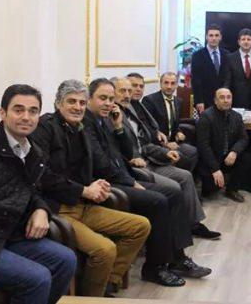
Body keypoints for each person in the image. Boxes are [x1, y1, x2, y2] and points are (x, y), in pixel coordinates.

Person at [0, 85, 77, 304]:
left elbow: (33, 190)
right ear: (3, 113)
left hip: (9, 233)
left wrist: (41, 209)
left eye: (33, 111)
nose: (26, 117)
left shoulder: (33, 152)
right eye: (18, 110)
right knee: (38, 278)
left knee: (66, 260)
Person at [84, 78, 211, 287]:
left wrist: (118, 127)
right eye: (102, 98)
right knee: (159, 200)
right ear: (89, 99)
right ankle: (154, 268)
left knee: (174, 192)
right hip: (107, 184)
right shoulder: (87, 123)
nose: (108, 103)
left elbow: (126, 153)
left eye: (110, 99)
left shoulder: (105, 119)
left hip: (123, 176)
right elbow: (102, 164)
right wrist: (131, 181)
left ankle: (178, 258)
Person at [31, 80, 151, 296]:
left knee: (140, 226)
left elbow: (95, 166)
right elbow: (43, 177)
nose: (77, 107)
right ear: (58, 103)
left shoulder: (81, 128)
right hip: (59, 210)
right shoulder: (44, 128)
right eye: (71, 102)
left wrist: (97, 185)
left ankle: (106, 282)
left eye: (81, 102)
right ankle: (91, 297)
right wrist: (84, 190)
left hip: (84, 205)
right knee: (105, 249)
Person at [113, 77, 220, 241]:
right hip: (137, 167)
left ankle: (194, 224)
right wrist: (150, 152)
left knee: (186, 175)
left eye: (131, 89)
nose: (129, 94)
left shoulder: (132, 108)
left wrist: (164, 153)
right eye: (123, 90)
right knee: (174, 186)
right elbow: (124, 150)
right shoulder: (114, 117)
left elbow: (145, 142)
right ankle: (176, 236)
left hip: (151, 156)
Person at [130, 72, 198, 172]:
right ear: (160, 84)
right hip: (158, 144)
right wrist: (166, 144)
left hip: (174, 141)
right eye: (166, 83)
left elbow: (175, 124)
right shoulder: (149, 100)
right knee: (182, 158)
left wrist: (179, 132)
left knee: (194, 152)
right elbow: (149, 130)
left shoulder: (178, 101)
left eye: (172, 83)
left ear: (176, 85)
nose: (169, 86)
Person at [196, 88, 250, 202]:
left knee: (246, 157)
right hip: (211, 158)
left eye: (228, 97)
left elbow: (244, 138)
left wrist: (234, 152)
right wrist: (215, 169)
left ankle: (232, 189)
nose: (226, 100)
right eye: (222, 97)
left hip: (228, 157)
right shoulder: (206, 116)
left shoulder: (237, 116)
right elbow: (203, 145)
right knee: (210, 190)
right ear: (215, 101)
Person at [191, 24, 229, 113]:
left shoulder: (227, 54)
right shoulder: (198, 55)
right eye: (211, 35)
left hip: (224, 100)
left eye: (216, 35)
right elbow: (196, 80)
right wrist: (199, 101)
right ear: (206, 37)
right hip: (205, 101)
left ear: (220, 37)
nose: (214, 38)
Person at [224, 28, 251, 109]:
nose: (246, 42)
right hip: (236, 102)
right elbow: (227, 80)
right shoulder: (230, 58)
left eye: (248, 39)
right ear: (239, 42)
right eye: (243, 39)